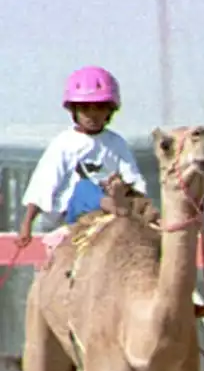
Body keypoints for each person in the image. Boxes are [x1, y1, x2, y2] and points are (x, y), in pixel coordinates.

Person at [19, 65, 148, 247]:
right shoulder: (64, 143)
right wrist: (26, 225)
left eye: (99, 108)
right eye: (85, 108)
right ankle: (110, 203)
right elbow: (43, 184)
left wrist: (122, 186)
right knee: (84, 188)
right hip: (71, 214)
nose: (92, 115)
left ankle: (115, 204)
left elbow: (134, 178)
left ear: (110, 111)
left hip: (107, 218)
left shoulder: (117, 143)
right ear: (74, 111)